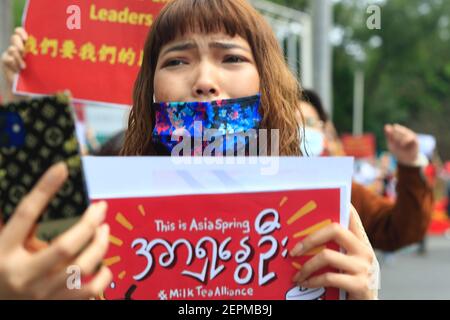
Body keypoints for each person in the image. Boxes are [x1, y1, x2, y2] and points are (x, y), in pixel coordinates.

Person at [2, 0, 378, 299]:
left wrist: (363, 297)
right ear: (151, 91)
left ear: (266, 86)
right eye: (177, 61)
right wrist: (25, 102)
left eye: (231, 58)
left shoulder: (320, 217)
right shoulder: (100, 215)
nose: (203, 82)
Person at [299, 89, 434, 252]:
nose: (301, 131)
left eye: (310, 123)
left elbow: (399, 230)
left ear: (324, 132)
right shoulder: (260, 190)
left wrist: (409, 164)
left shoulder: (344, 192)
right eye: (292, 123)